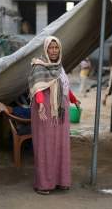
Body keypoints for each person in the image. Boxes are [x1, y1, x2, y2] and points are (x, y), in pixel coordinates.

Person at [28, 36, 80, 195]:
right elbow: (37, 87)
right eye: (50, 47)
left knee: (61, 145)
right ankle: (44, 184)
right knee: (46, 146)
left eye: (56, 48)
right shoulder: (39, 66)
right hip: (45, 112)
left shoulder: (59, 67)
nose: (53, 51)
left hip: (60, 111)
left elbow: (64, 86)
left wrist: (73, 99)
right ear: (45, 49)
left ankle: (61, 180)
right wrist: (41, 104)